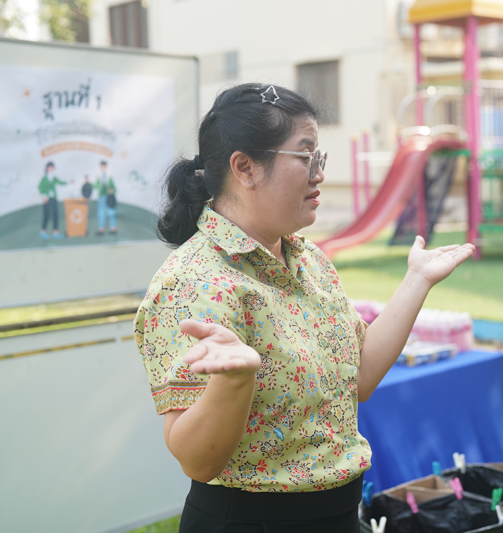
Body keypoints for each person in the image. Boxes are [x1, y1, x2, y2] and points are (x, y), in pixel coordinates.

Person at [133, 83, 474, 533]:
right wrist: (234, 382)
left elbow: (359, 378)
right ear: (245, 168)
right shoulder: (193, 282)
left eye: (319, 157)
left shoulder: (307, 259)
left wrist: (417, 280)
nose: (319, 174)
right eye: (305, 156)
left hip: (338, 514)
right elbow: (196, 460)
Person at [38, 161, 67, 239]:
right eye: (49, 167)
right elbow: (40, 187)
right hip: (46, 199)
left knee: (55, 215)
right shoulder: (44, 178)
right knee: (47, 215)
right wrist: (44, 196)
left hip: (54, 198)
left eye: (52, 168)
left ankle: (55, 232)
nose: (51, 169)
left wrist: (69, 182)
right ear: (46, 168)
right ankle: (42, 231)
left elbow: (61, 182)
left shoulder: (54, 178)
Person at [93, 160, 117, 235]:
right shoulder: (99, 177)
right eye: (101, 166)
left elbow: (114, 187)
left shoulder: (109, 177)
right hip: (101, 197)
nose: (103, 168)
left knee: (111, 212)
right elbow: (95, 185)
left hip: (108, 197)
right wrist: (89, 184)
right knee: (101, 213)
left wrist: (112, 191)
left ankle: (113, 229)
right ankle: (101, 229)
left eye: (104, 166)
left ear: (106, 167)